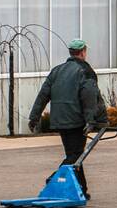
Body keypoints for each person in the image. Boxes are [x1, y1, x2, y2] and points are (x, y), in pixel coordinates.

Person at [28, 39, 108, 199]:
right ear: (83, 52)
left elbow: (43, 95)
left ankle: (82, 190)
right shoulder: (85, 71)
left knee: (75, 154)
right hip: (77, 121)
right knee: (76, 155)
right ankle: (54, 178)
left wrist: (34, 117)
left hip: (60, 120)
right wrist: (91, 120)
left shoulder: (57, 70)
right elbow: (89, 96)